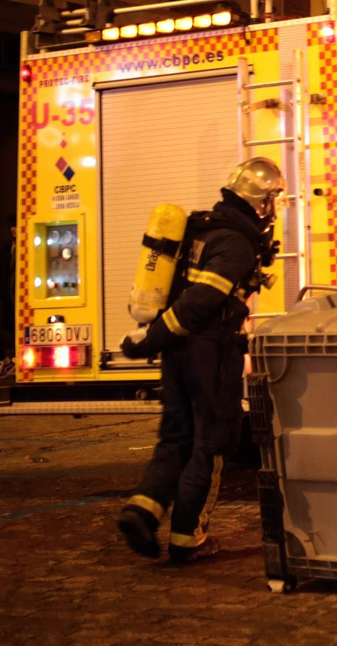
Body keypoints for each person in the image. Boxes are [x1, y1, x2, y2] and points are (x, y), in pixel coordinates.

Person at [116, 158, 284, 563]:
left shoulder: (203, 228)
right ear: (261, 202)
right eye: (272, 199)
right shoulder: (238, 242)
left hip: (178, 350)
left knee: (177, 437)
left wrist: (158, 338)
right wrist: (152, 339)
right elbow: (203, 301)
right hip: (210, 351)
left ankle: (142, 510)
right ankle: (187, 537)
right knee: (210, 443)